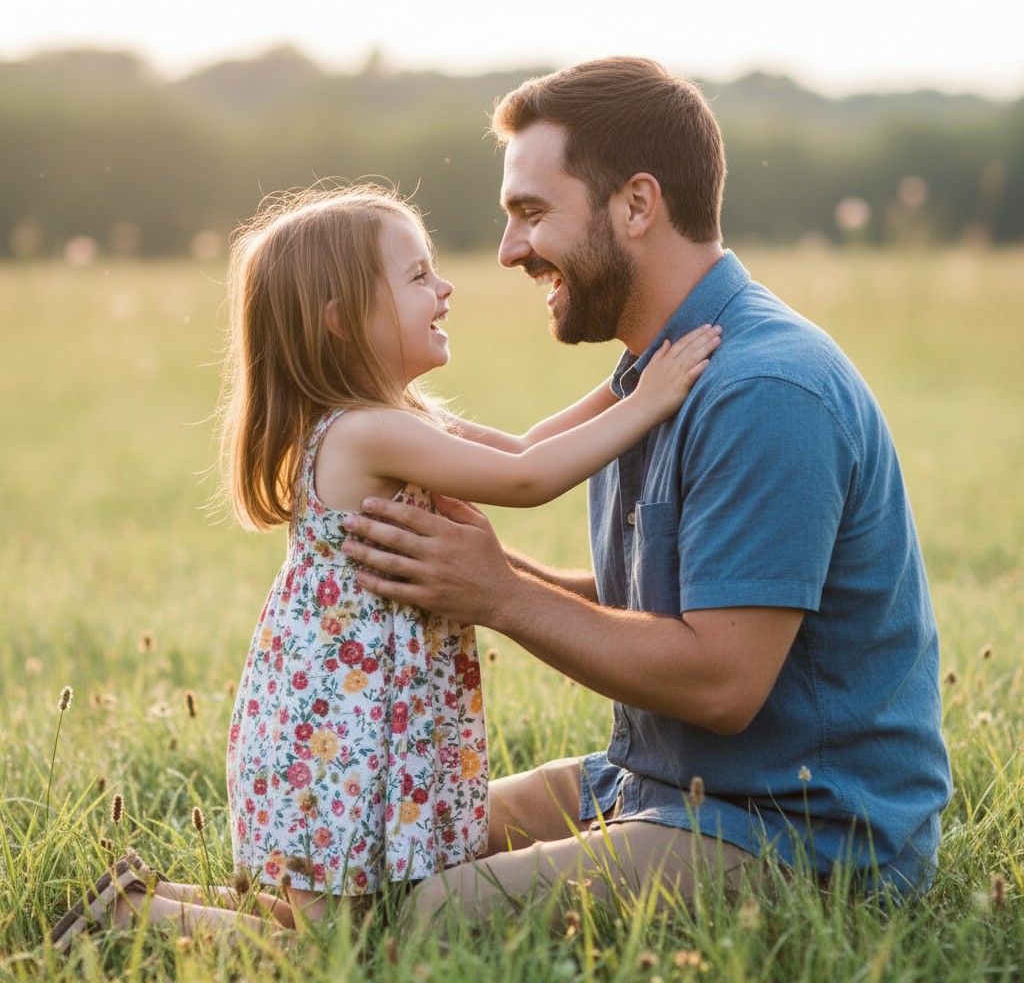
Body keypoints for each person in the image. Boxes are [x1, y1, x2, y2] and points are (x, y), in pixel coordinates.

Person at [337, 57, 954, 927]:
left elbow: (719, 680)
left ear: (636, 204)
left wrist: (499, 594)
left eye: (531, 213)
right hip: (660, 784)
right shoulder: (658, 371)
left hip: (800, 832)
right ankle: (146, 911)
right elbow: (663, 601)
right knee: (388, 845)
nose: (510, 249)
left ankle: (153, 928)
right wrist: (473, 567)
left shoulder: (766, 390)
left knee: (437, 914)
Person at [51, 182, 720, 950]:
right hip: (340, 731)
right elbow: (531, 479)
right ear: (342, 321)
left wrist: (627, 376)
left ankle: (146, 903)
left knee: (344, 924)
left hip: (353, 722)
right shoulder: (364, 433)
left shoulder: (398, 418)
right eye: (416, 278)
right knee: (330, 946)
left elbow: (526, 444)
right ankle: (140, 921)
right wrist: (650, 401)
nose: (445, 289)